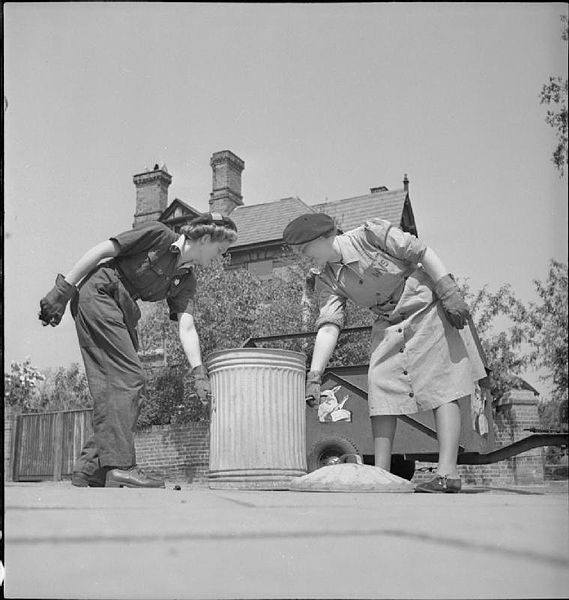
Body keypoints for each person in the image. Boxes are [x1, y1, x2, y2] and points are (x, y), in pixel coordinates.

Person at [283, 213, 487, 493]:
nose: (303, 258)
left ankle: (447, 473)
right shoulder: (327, 277)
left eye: (304, 250)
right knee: (379, 382)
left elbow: (422, 251)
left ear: (323, 238)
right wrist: (315, 373)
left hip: (422, 306)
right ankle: (381, 475)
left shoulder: (370, 235)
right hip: (388, 320)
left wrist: (447, 288)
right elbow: (329, 325)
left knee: (443, 382)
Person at [39, 213, 237, 488]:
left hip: (122, 307)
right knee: (129, 378)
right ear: (205, 239)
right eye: (220, 250)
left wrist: (199, 372)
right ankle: (120, 467)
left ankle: (90, 469)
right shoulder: (158, 235)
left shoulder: (186, 279)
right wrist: (62, 290)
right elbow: (101, 251)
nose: (221, 257)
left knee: (123, 386)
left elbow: (187, 326)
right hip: (100, 293)